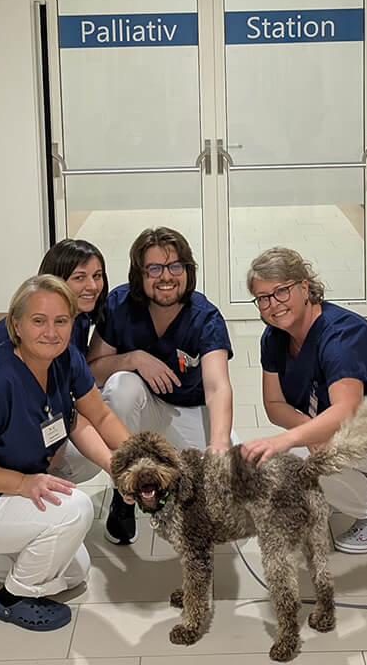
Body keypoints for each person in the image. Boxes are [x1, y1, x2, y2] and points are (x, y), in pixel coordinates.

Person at [0, 275, 132, 630]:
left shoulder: (64, 358)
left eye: (61, 321)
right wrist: (22, 483)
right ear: (16, 325)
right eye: (39, 320)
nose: (51, 331)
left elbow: (99, 414)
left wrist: (132, 463)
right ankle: (15, 597)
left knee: (76, 571)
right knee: (76, 510)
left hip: (4, 495)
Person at [240, 247, 367, 554]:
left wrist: (293, 439)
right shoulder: (274, 338)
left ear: (303, 287)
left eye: (281, 291)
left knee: (306, 454)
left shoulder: (340, 335)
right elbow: (274, 405)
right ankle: (358, 484)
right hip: (341, 423)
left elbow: (345, 410)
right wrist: (308, 431)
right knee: (296, 453)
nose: (273, 305)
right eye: (263, 297)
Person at [87, 226, 235, 545]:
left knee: (227, 488)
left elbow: (217, 387)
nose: (165, 276)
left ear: (188, 270)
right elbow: (93, 370)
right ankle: (123, 494)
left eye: (174, 266)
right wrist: (133, 359)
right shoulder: (120, 305)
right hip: (145, 412)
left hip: (192, 411)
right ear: (139, 274)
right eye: (154, 268)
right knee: (120, 386)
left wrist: (220, 443)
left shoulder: (205, 316)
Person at [0, 238, 108, 361]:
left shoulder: (81, 317)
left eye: (97, 276)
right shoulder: (21, 329)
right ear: (55, 280)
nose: (93, 286)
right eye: (79, 277)